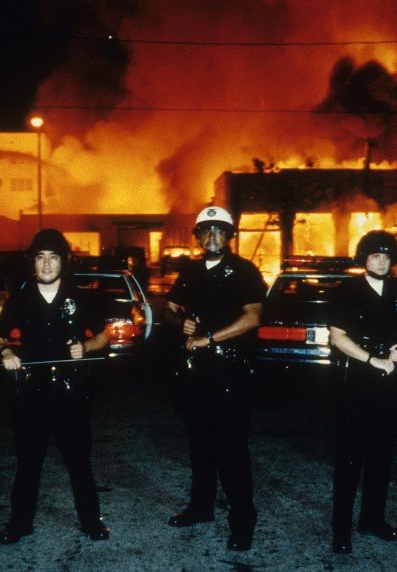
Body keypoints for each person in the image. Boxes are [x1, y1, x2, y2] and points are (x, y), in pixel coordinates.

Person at [0, 228, 111, 544]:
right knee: (28, 461)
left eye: (53, 257)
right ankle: (19, 523)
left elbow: (104, 335)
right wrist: (6, 351)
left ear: (64, 261)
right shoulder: (20, 298)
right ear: (33, 261)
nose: (46, 265)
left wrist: (86, 347)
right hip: (32, 392)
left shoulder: (81, 296)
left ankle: (91, 521)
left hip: (71, 392)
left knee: (79, 460)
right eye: (40, 257)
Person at [163, 206, 266, 551]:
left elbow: (252, 318)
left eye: (219, 230)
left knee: (232, 448)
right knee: (200, 444)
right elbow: (169, 309)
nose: (212, 237)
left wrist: (209, 338)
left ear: (230, 235)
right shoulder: (190, 272)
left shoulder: (244, 271)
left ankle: (243, 521)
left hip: (232, 371)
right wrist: (181, 324)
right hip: (196, 373)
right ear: (197, 237)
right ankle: (201, 507)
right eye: (205, 231)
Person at [328, 230, 397, 554]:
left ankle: (373, 519)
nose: (381, 261)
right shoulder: (347, 291)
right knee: (350, 457)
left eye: (386, 256)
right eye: (374, 256)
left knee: (382, 454)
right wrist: (372, 359)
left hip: (390, 379)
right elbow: (337, 337)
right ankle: (341, 530)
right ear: (364, 259)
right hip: (356, 378)